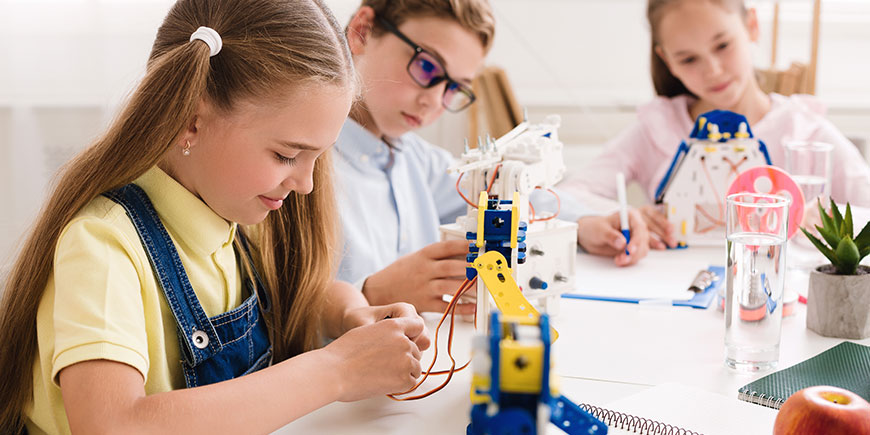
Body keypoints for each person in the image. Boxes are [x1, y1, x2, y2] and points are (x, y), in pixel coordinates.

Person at [0, 1, 431, 433]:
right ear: (191, 120)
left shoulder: (235, 216)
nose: (306, 185)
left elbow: (299, 290)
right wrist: (337, 369)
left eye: (317, 158)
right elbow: (112, 424)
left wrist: (350, 315)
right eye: (286, 155)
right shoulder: (102, 246)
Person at [336, 0, 651, 315]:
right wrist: (372, 294)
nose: (433, 101)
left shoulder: (415, 159)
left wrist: (587, 223)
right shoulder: (300, 166)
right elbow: (288, 317)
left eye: (454, 88)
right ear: (363, 31)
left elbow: (498, 186)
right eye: (427, 67)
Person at [560, 0, 870, 249]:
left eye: (722, 46)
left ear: (751, 26)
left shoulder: (804, 130)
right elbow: (564, 196)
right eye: (688, 59)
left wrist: (832, 222)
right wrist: (603, 219)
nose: (713, 70)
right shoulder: (658, 127)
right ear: (667, 60)